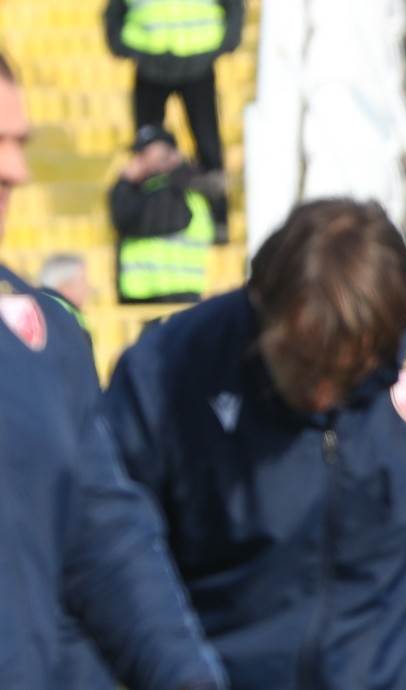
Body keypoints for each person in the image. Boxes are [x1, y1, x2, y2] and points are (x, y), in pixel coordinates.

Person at [101, 197, 406, 689]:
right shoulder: (167, 370)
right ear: (261, 308)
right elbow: (114, 546)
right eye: (301, 364)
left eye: (345, 374)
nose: (319, 393)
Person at [0, 51, 227, 690]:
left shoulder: (41, 336)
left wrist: (186, 678)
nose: (16, 170)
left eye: (19, 143)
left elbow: (102, 542)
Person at [103, 0, 244, 242]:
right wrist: (121, 45)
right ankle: (144, 215)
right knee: (148, 149)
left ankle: (218, 220)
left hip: (197, 61)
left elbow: (234, 5)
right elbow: (114, 10)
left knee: (208, 146)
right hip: (150, 64)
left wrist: (228, 41)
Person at [110, 124, 216, 304]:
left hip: (172, 297)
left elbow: (129, 220)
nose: (137, 161)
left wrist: (124, 184)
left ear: (170, 154)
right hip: (148, 296)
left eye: (144, 154)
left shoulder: (173, 190)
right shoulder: (160, 189)